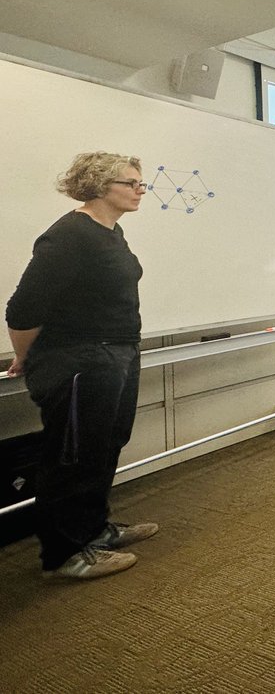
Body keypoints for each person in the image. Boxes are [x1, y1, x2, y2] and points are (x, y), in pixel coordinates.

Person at [5, 152, 158, 580]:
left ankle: (95, 531)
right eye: (131, 183)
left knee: (105, 444)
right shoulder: (69, 235)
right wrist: (25, 356)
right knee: (72, 455)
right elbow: (22, 310)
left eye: (140, 182)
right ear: (98, 185)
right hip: (79, 359)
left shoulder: (111, 231)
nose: (140, 190)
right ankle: (64, 555)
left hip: (118, 353)